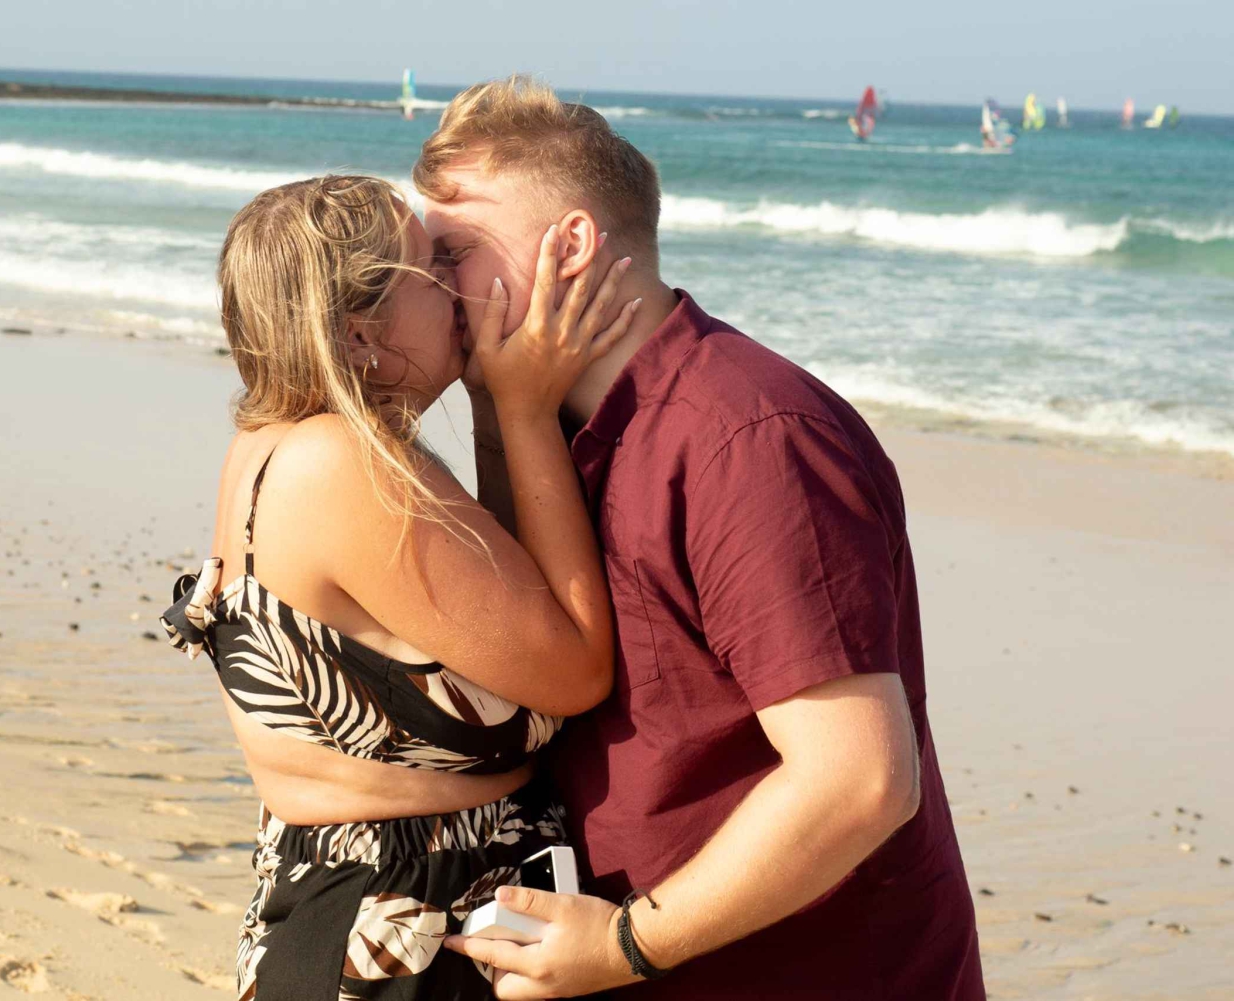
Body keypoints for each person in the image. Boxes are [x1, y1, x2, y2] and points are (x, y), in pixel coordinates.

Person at [421, 78, 986, 999]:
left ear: (570, 245)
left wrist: (627, 946)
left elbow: (861, 779)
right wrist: (497, 406)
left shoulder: (747, 436)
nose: (432, 283)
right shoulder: (556, 419)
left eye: (456, 251)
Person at [159, 174, 639, 1000]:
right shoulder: (341, 469)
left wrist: (495, 409)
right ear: (358, 335)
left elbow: (499, 594)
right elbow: (576, 665)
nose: (458, 286)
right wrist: (527, 413)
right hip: (397, 942)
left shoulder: (280, 441)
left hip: (360, 919)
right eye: (432, 267)